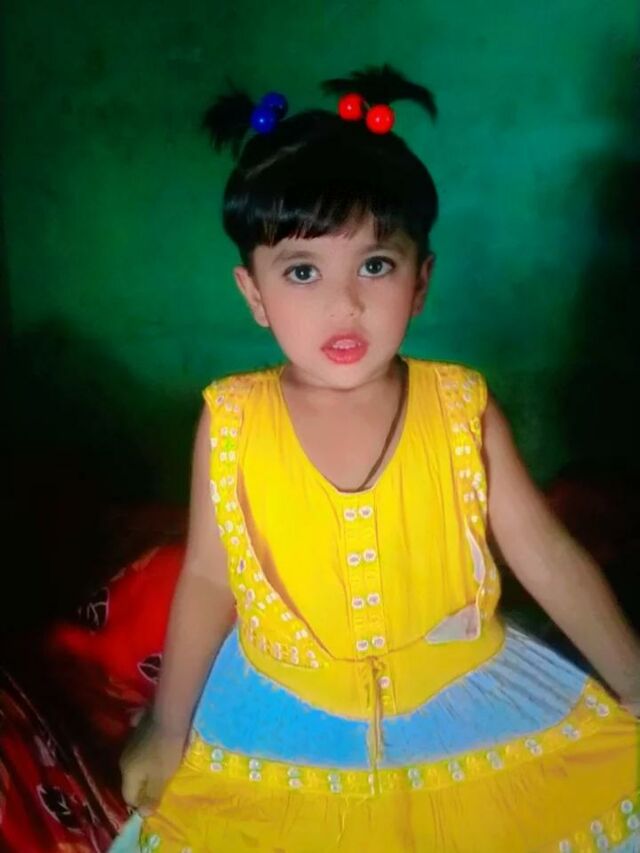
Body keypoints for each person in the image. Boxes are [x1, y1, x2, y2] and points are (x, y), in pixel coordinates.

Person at [112, 66, 640, 852]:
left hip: (465, 701)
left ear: (420, 280)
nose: (345, 303)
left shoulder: (460, 405)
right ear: (253, 294)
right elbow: (210, 579)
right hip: (283, 713)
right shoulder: (231, 419)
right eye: (303, 271)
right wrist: (166, 724)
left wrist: (634, 680)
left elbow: (545, 551)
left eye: (375, 265)